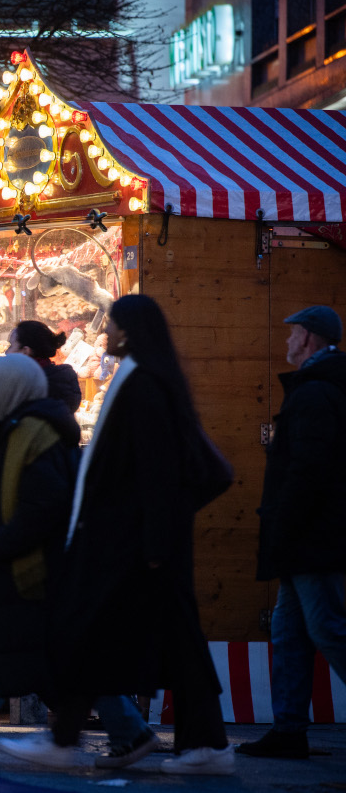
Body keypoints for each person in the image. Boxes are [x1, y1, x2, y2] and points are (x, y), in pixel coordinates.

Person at [4, 294, 233, 775]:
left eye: (111, 325)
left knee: (102, 635)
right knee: (117, 639)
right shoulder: (147, 381)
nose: (104, 332)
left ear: (128, 331)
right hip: (135, 541)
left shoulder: (142, 386)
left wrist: (152, 541)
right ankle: (186, 744)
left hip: (132, 544)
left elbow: (154, 470)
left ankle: (195, 746)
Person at [0, 354, 148, 767]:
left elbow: (44, 504)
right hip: (26, 566)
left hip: (31, 568)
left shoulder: (31, 433)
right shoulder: (16, 429)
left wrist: (0, 545)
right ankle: (129, 731)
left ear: (11, 388)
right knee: (40, 652)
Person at [239, 305, 346, 760]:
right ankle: (288, 730)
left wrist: (284, 527)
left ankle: (288, 729)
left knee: (327, 629)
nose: (286, 342)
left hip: (312, 538)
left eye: (292, 334)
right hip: (306, 535)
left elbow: (307, 470)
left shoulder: (315, 393)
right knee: (290, 631)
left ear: (310, 339)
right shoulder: (318, 389)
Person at [8, 320, 81, 412]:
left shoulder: (31, 388)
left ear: (25, 351)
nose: (7, 352)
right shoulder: (60, 380)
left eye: (11, 346)